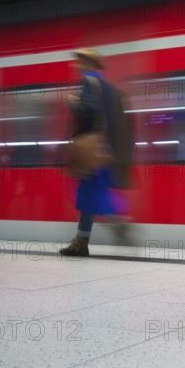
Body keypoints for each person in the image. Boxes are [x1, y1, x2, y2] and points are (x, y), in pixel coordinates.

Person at [59, 48, 133, 257]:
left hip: (90, 151)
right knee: (90, 194)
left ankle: (118, 223)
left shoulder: (87, 83)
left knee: (89, 195)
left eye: (79, 61)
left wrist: (74, 104)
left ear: (87, 64)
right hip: (104, 150)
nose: (75, 65)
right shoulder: (108, 88)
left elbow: (89, 110)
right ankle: (81, 241)